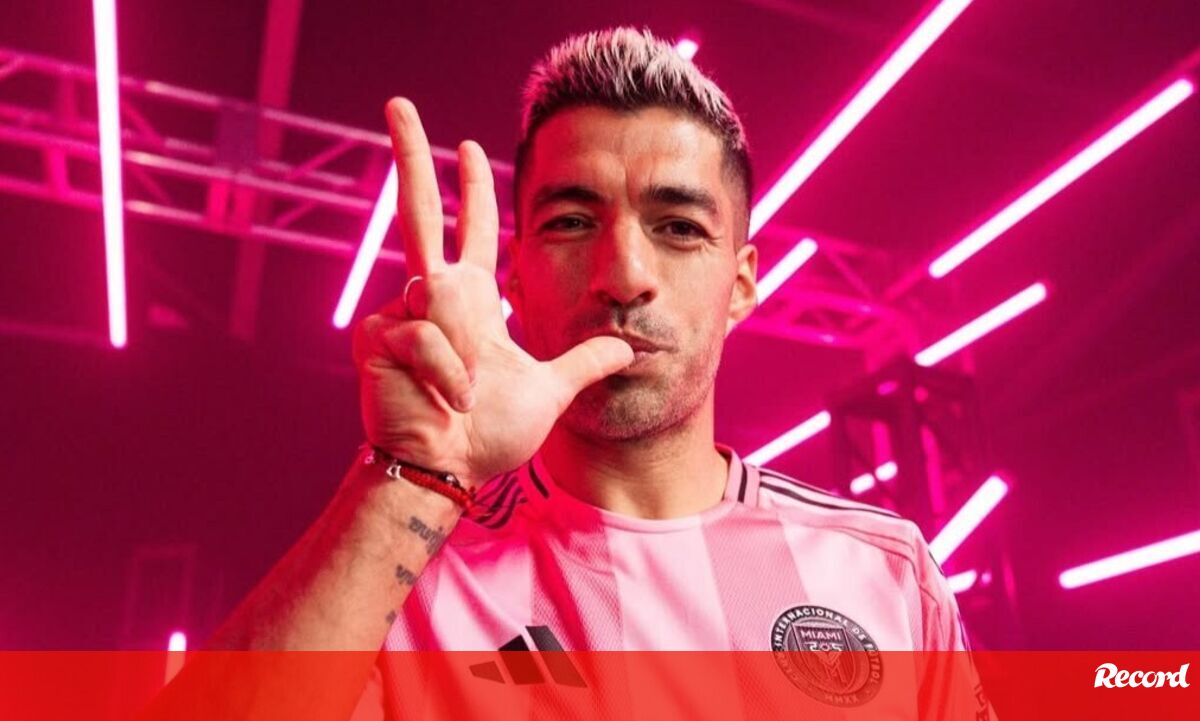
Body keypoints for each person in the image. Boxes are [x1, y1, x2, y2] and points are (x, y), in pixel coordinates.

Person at [178, 27, 994, 721]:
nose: (623, 274)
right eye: (572, 221)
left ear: (742, 284)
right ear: (517, 276)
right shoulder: (402, 581)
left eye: (679, 227)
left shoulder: (885, 571)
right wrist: (414, 476)